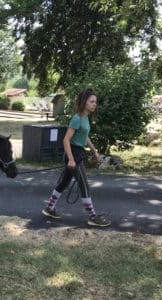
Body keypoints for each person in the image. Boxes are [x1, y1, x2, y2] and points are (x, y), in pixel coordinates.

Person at [42, 88, 111, 227]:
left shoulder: (85, 118)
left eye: (95, 102)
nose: (94, 104)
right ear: (84, 102)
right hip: (73, 154)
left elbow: (85, 137)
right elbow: (66, 140)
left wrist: (94, 151)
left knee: (64, 183)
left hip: (77, 153)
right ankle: (92, 217)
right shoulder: (77, 118)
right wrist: (71, 159)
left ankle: (49, 208)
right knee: (84, 185)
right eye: (92, 101)